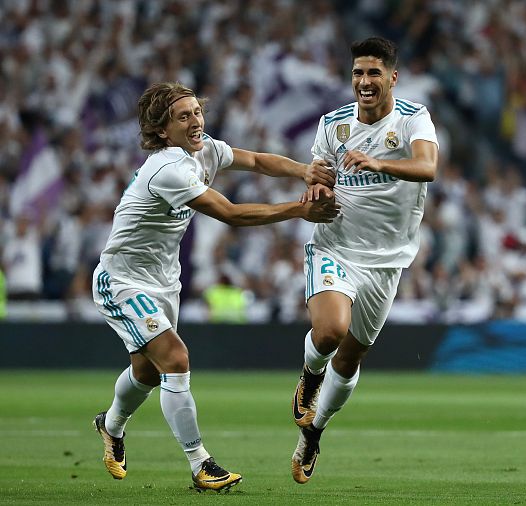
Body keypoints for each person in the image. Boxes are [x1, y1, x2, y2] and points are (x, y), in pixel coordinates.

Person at [91, 82, 339, 492]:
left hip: (164, 280)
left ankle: (110, 423)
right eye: (183, 116)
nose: (195, 121)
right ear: (162, 130)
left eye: (196, 112)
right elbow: (231, 214)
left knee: (147, 373)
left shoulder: (203, 147)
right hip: (123, 278)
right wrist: (299, 209)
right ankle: (200, 464)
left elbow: (256, 160)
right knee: (175, 358)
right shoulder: (168, 167)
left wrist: (303, 170)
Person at [289, 37, 439, 484]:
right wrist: (317, 190)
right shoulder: (332, 124)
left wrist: (378, 163)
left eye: (374, 73)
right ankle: (309, 378)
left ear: (392, 77)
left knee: (351, 358)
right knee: (331, 330)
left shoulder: (415, 119)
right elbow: (320, 176)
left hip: (387, 260)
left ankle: (313, 434)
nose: (364, 82)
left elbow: (427, 167)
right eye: (358, 73)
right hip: (334, 245)